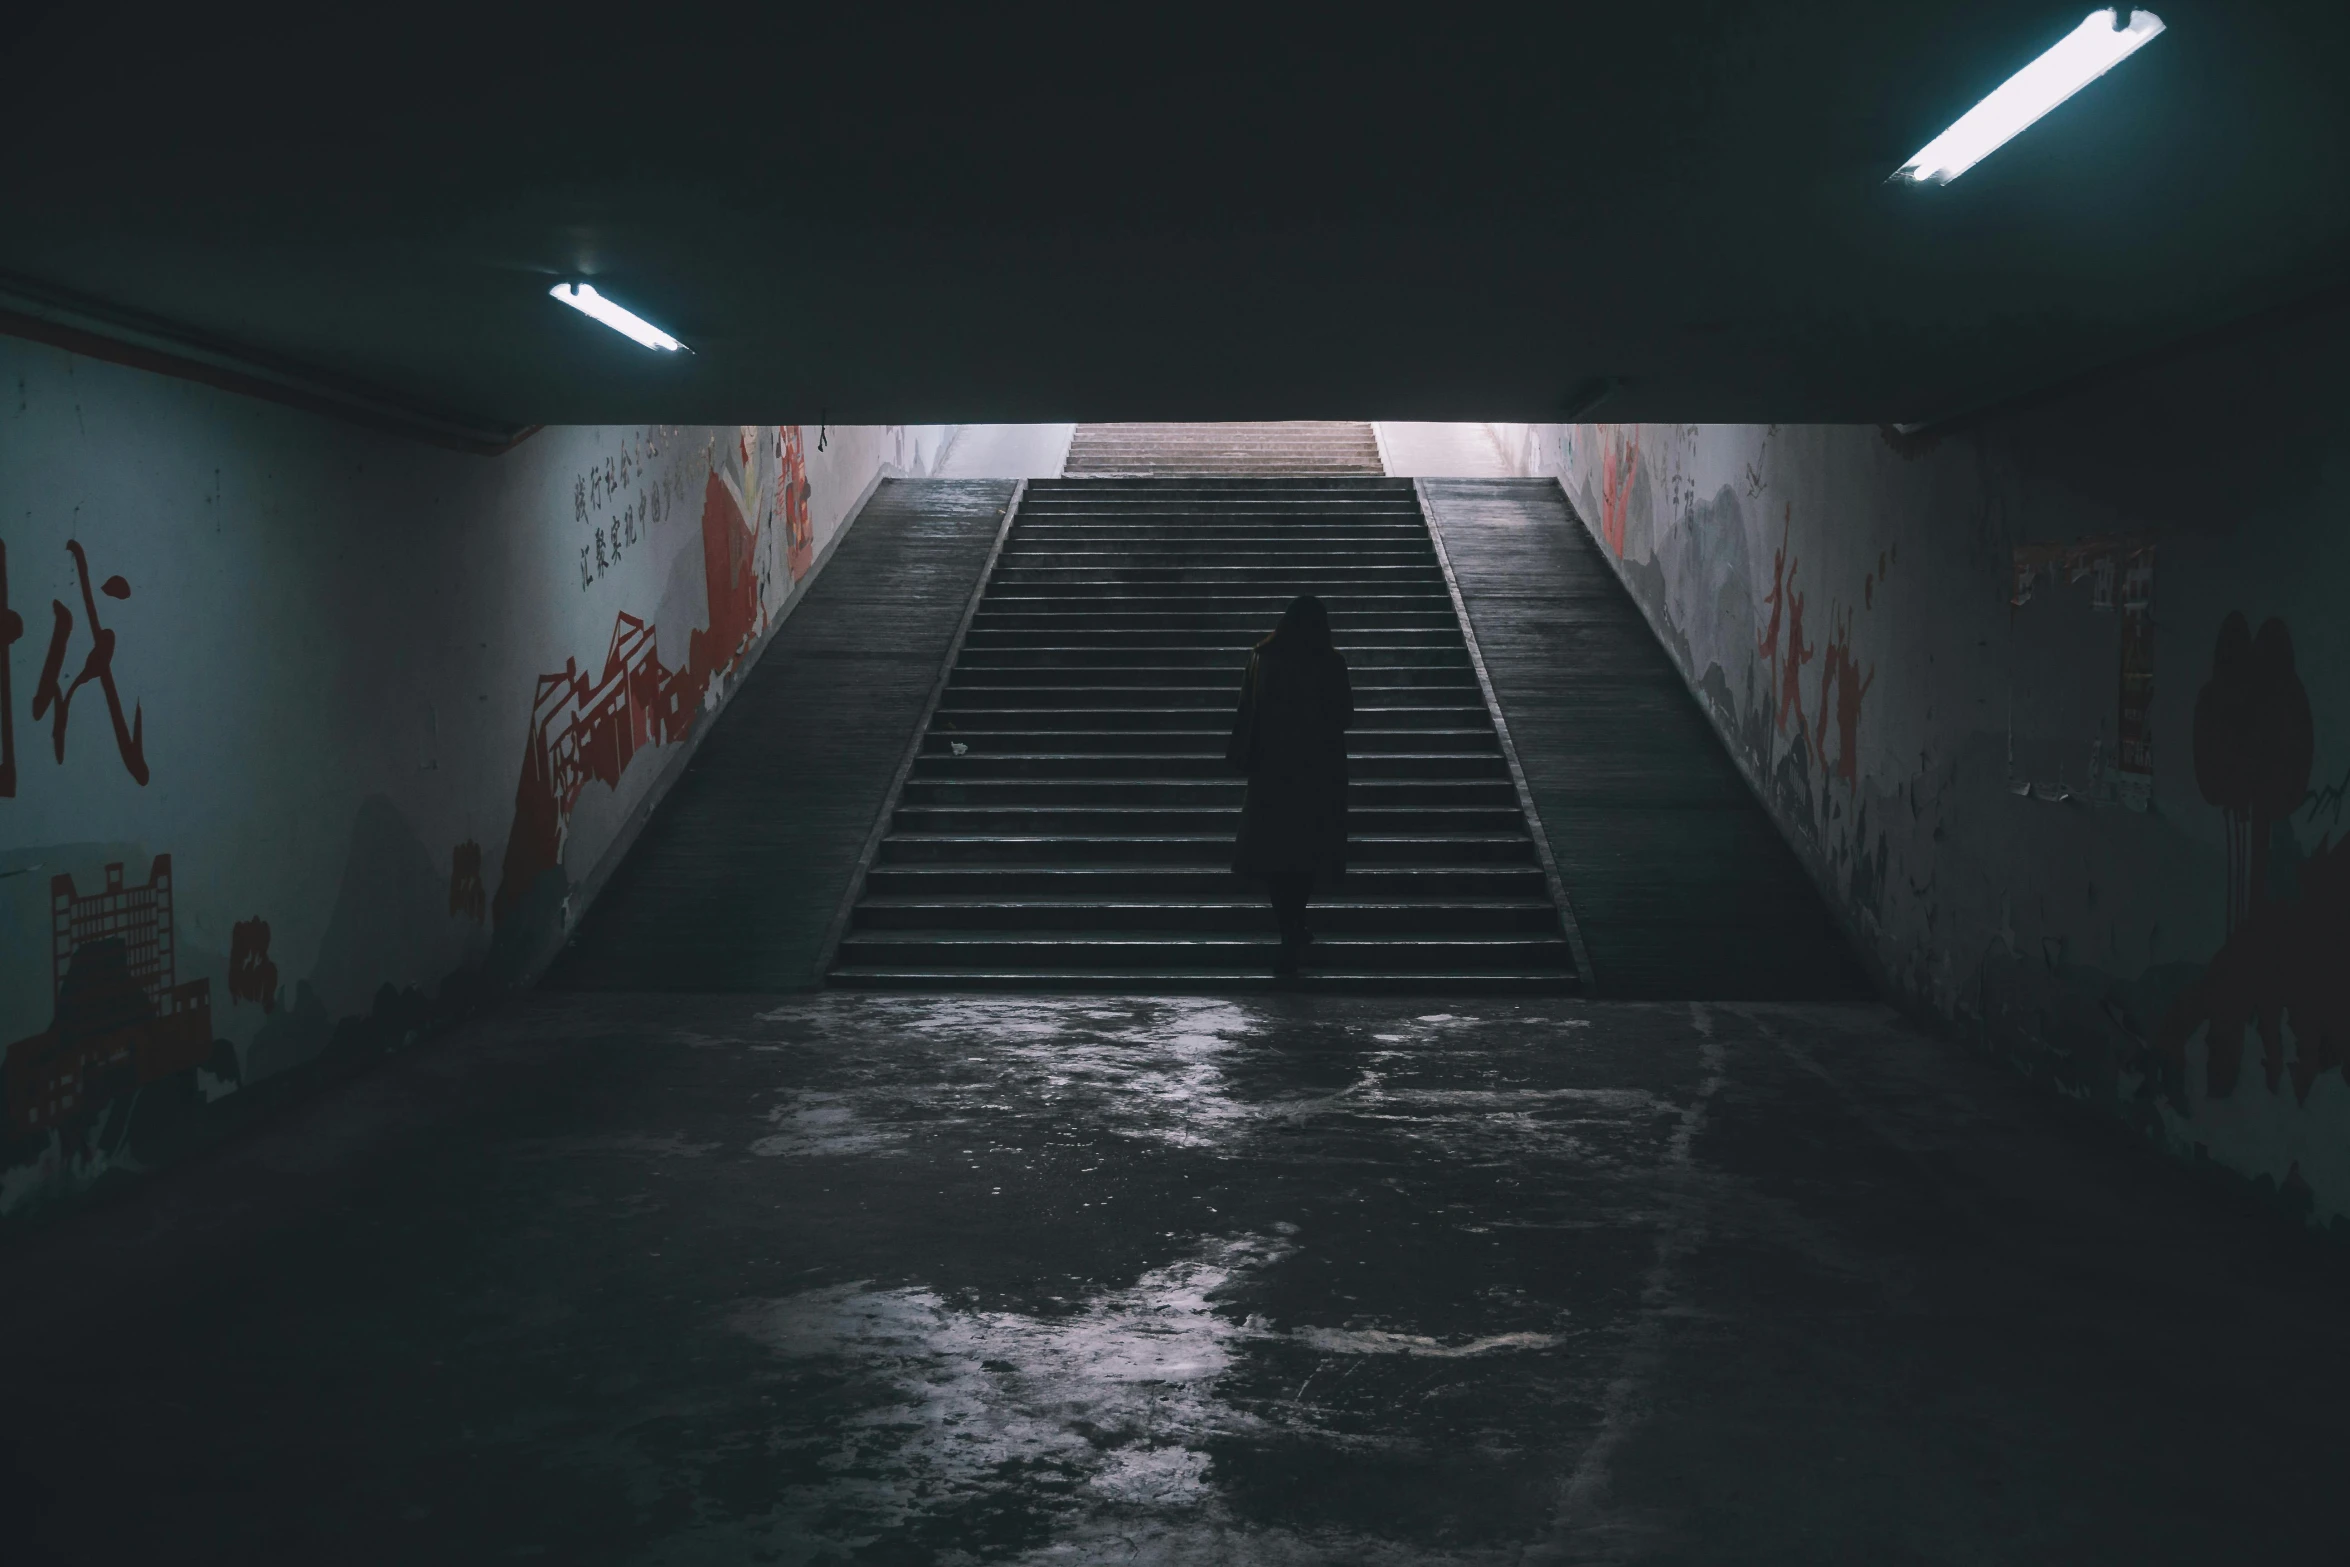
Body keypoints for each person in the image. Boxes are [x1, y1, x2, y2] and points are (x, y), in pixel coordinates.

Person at [1227, 594, 1353, 975]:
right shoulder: (1330, 661)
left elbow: (1247, 709)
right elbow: (1345, 715)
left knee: (1275, 852)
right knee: (1307, 851)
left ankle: (1287, 926)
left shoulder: (1262, 658)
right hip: (1317, 771)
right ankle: (1297, 922)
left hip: (1272, 770)